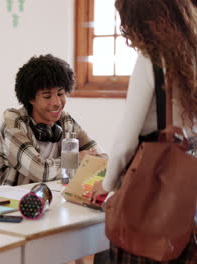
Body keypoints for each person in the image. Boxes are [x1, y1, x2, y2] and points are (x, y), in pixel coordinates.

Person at [91, 0, 197, 262]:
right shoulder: (191, 56)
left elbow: (127, 140)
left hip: (151, 185)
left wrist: (106, 184)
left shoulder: (152, 59)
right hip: (188, 183)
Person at [0, 54, 107, 186]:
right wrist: (75, 159)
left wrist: (89, 161)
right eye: (47, 96)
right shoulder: (13, 121)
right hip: (12, 200)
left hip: (55, 196)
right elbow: (40, 171)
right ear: (30, 99)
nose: (57, 103)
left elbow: (102, 160)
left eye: (60, 94)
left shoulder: (66, 121)